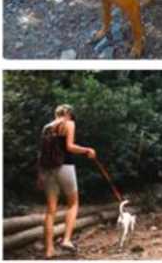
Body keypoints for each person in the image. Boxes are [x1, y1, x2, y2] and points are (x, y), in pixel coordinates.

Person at [38, 104, 96, 259]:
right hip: (65, 167)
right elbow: (69, 147)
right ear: (68, 113)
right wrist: (87, 150)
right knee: (73, 203)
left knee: (50, 211)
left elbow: (41, 153)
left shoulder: (46, 128)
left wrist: (40, 174)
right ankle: (66, 240)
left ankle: (49, 250)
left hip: (47, 169)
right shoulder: (69, 124)